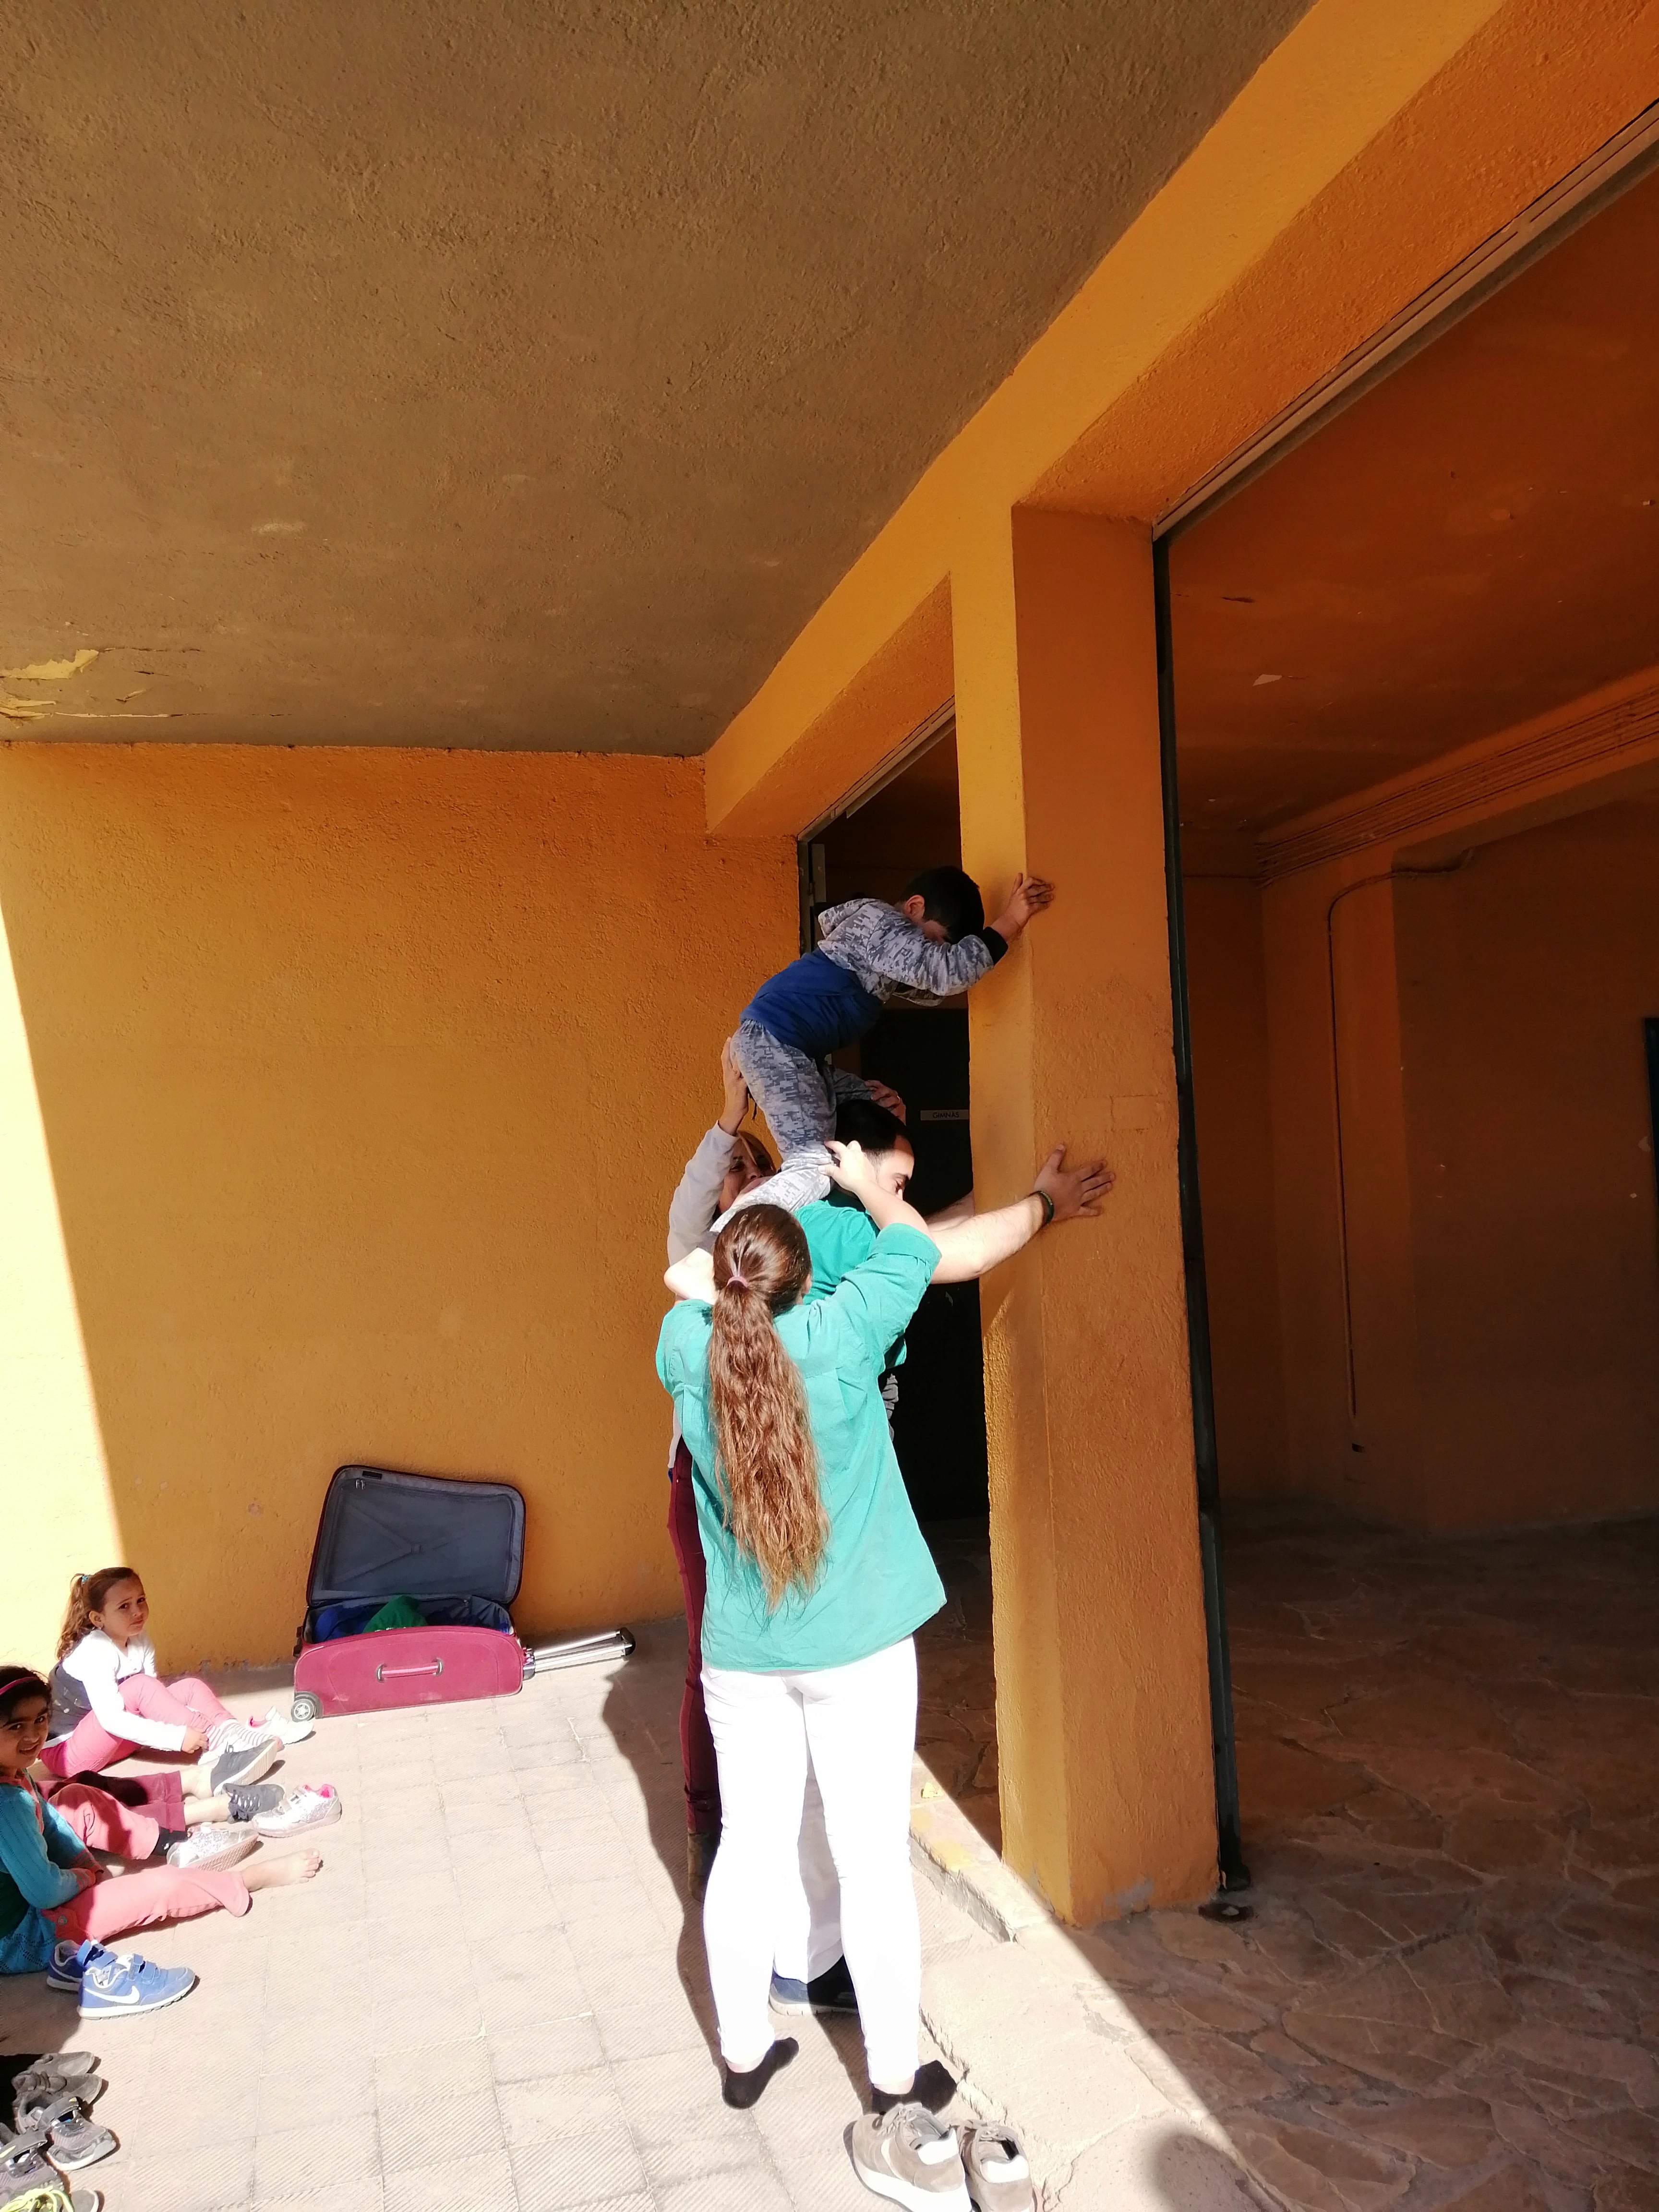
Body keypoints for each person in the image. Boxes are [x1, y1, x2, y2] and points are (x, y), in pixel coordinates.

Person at [655, 1141, 976, 2205]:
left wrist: (750, 1219)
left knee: (749, 1845)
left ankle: (743, 2053)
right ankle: (894, 2080)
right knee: (870, 1857)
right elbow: (913, 1244)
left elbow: (688, 1277)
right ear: (802, 1279)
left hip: (745, 1657)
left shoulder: (683, 1346)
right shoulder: (843, 1331)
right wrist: (869, 1186)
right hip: (859, 1646)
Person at [732, 865, 1054, 1211]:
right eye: (933, 942)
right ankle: (721, 1237)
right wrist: (1011, 921)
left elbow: (932, 989)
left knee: (877, 1107)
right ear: (914, 907)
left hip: (791, 1050)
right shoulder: (880, 922)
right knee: (811, 1169)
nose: (930, 952)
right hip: (775, 1043)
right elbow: (944, 973)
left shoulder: (876, 951)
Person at [0, 1668, 323, 1986]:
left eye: (41, 1720)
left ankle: (173, 1842)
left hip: (34, 1888)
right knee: (154, 1887)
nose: (33, 1736)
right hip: (26, 1931)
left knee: (76, 1798)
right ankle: (249, 1879)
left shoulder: (14, 1768)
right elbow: (45, 1893)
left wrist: (85, 1867)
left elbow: (51, 1822)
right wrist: (83, 1879)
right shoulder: (8, 1803)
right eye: (16, 1727)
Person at [43, 1568, 305, 1795]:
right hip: (70, 1754)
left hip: (115, 1741)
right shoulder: (95, 1650)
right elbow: (113, 1719)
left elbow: (155, 1697)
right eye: (124, 1607)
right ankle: (216, 1742)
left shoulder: (140, 1639)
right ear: (98, 1619)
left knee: (190, 1687)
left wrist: (183, 1720)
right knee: (139, 1686)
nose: (137, 1612)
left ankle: (233, 1732)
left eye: (141, 1600)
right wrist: (178, 1737)